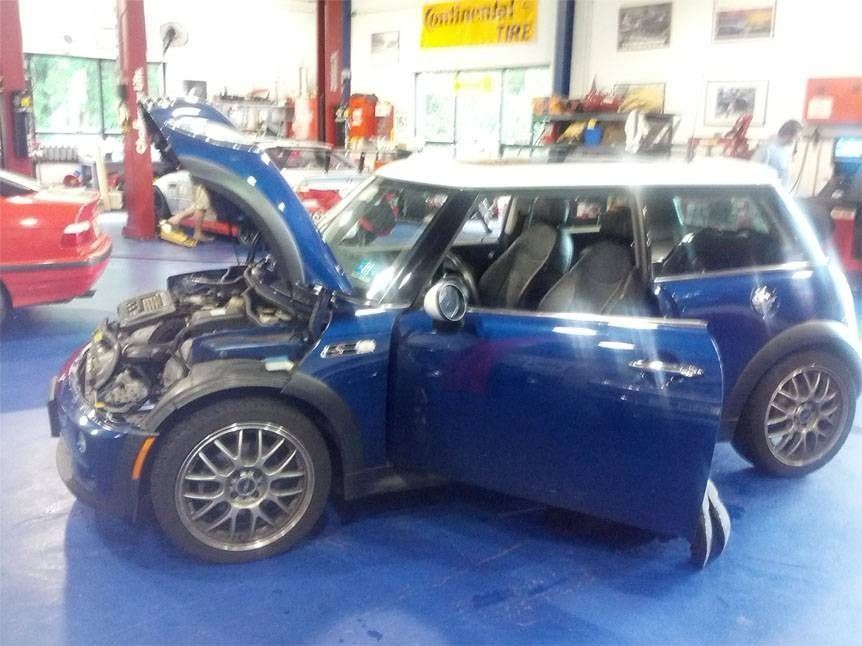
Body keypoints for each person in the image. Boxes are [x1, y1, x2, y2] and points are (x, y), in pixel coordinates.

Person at [751, 119, 803, 189]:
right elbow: (753, 170)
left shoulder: (787, 147)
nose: (799, 140)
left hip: (782, 191)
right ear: (787, 135)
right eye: (796, 137)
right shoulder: (767, 148)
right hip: (767, 191)